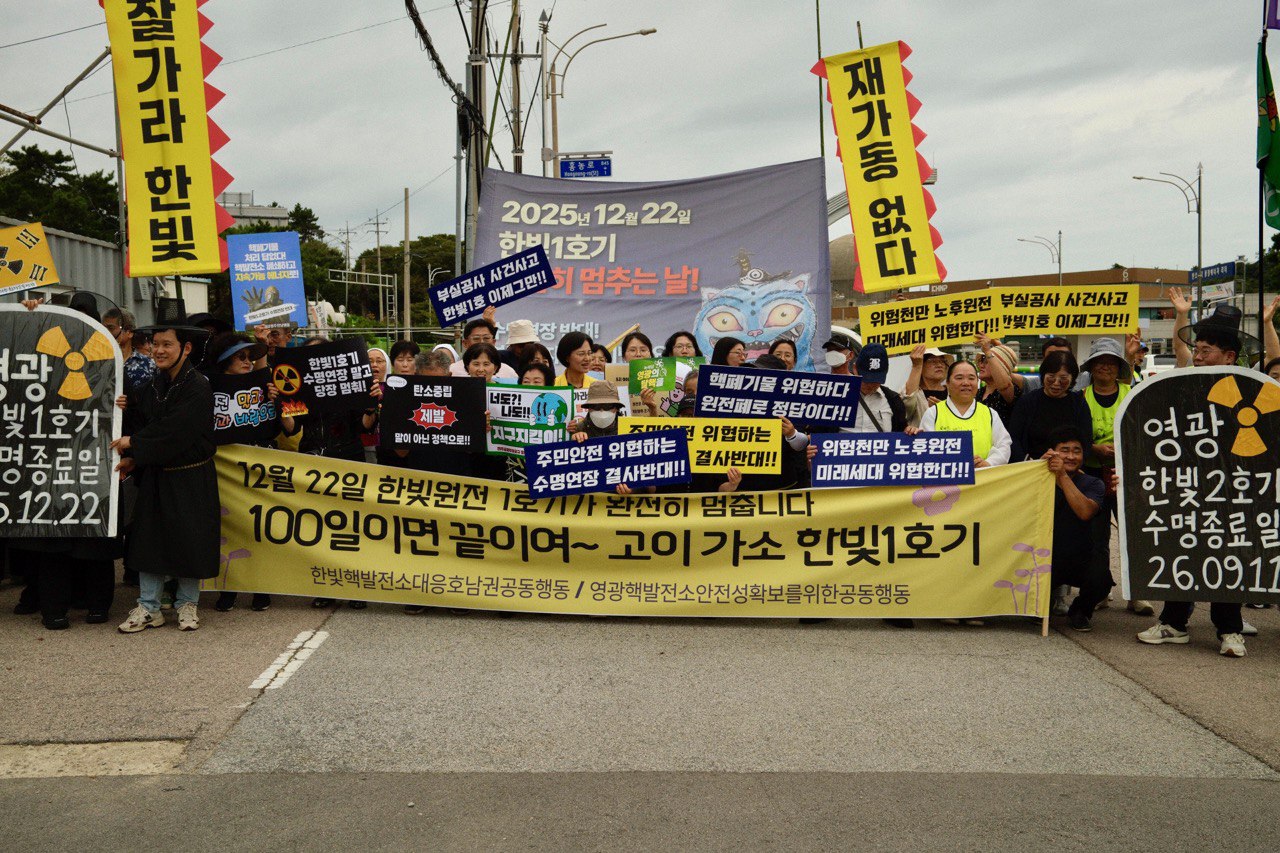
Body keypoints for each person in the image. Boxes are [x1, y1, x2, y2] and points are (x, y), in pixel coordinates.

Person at [1139, 291, 1260, 657]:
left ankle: (1230, 629)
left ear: (1229, 356)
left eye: (1207, 350)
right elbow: (1180, 353)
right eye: (1199, 348)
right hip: (1189, 486)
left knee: (1228, 553)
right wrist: (1181, 315)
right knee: (1185, 548)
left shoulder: (1250, 390)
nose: (1199, 355)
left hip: (1232, 489)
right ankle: (1174, 623)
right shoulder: (1187, 383)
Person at [113, 326, 219, 634]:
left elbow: (176, 430)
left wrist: (135, 443)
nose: (159, 350)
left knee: (190, 541)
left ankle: (187, 604)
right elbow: (144, 420)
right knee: (149, 541)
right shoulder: (152, 385)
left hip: (191, 474)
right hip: (156, 474)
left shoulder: (198, 386)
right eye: (155, 344)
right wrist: (127, 409)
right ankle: (149, 607)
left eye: (167, 344)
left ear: (186, 348)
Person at [206, 333, 286, 614]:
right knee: (228, 529)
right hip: (225, 469)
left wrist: (277, 400)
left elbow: (286, 423)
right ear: (225, 359)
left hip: (260, 466)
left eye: (250, 356)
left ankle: (261, 588)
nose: (248, 361)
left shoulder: (264, 382)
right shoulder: (209, 385)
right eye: (241, 356)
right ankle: (228, 589)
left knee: (259, 528)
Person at [1078, 337, 1154, 618]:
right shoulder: (1081, 397)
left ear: (1119, 367)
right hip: (1092, 475)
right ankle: (1100, 589)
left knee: (1134, 535)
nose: (1105, 367)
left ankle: (1138, 592)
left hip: (1129, 475)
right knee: (1096, 538)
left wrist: (1123, 449)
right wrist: (1093, 448)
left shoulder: (1132, 394)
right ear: (1091, 367)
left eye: (1111, 362)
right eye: (1099, 362)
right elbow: (1075, 437)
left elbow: (1147, 430)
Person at [1042, 426, 1106, 631]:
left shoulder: (1094, 483)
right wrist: (1037, 469)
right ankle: (1042, 605)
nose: (1070, 456)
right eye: (1064, 450)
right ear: (1052, 452)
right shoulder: (1039, 479)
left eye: (1076, 451)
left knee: (1102, 579)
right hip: (1044, 557)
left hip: (1080, 556)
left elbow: (1085, 512)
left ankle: (1080, 611)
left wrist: (1062, 476)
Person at [910, 360, 1011, 466]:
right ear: (948, 383)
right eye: (959, 378)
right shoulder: (933, 413)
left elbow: (1003, 445)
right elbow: (926, 451)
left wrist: (988, 463)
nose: (966, 383)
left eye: (971, 378)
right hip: (947, 475)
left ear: (977, 382)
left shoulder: (990, 413)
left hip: (984, 475)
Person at [1007, 351, 1093, 463]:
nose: (1056, 383)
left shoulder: (1078, 403)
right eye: (1051, 377)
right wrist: (1032, 463)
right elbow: (1013, 439)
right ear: (1043, 375)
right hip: (1032, 466)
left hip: (1068, 466)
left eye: (1063, 378)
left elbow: (1086, 441)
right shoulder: (1027, 401)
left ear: (1072, 378)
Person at [449, 317, 518, 381]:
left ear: (493, 342)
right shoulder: (452, 371)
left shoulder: (508, 372)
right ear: (465, 343)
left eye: (486, 338)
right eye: (476, 338)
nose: (482, 342)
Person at [104, 308, 155, 393]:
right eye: (103, 328)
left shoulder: (148, 365)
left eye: (111, 328)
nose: (105, 332)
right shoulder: (97, 363)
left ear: (129, 332)